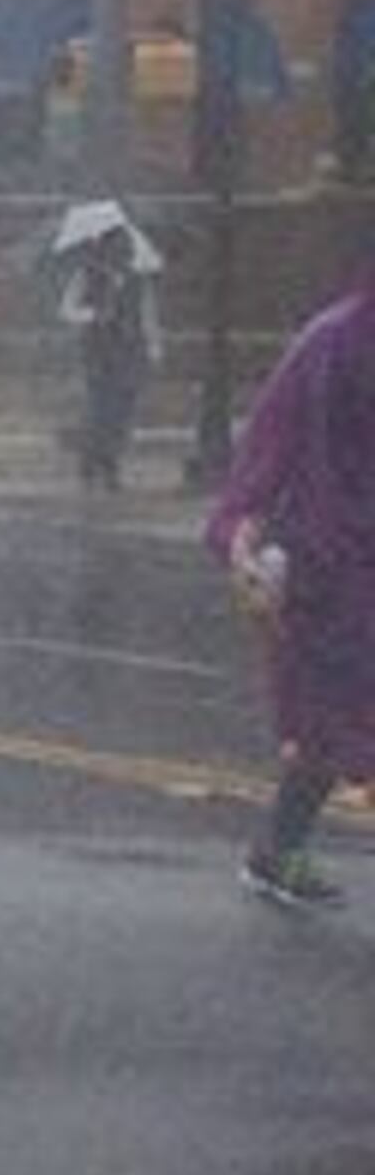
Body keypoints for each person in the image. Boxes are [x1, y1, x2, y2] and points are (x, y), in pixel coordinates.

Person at [204, 263, 375, 911]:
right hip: (334, 562)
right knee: (337, 717)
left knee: (338, 723)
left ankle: (278, 849)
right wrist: (237, 531)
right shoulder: (331, 344)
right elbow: (268, 448)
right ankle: (278, 851)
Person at [55, 208, 159, 495]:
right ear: (105, 247)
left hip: (129, 349)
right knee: (99, 408)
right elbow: (66, 310)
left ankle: (111, 461)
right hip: (98, 351)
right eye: (117, 246)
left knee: (123, 410)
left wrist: (153, 346)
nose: (122, 253)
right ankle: (93, 462)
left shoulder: (138, 280)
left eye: (125, 248)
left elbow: (148, 314)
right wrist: (92, 315)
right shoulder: (87, 275)